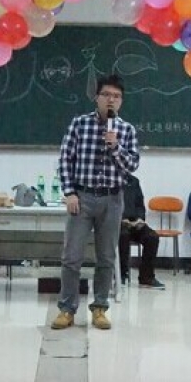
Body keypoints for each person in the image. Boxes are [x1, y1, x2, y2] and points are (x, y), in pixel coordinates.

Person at [51, 74, 139, 331]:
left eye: (116, 96)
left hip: (113, 199)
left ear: (121, 101)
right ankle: (67, 309)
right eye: (106, 95)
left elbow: (132, 165)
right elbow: (65, 160)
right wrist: (70, 193)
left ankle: (100, 307)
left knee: (107, 257)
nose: (111, 100)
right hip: (82, 197)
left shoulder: (127, 130)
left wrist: (116, 147)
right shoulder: (79, 124)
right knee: (71, 257)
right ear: (97, 98)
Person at [119, 175, 165, 289]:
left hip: (135, 222)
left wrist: (140, 219)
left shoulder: (134, 181)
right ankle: (121, 275)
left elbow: (140, 205)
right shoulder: (111, 181)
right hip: (117, 222)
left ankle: (146, 277)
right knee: (123, 236)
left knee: (152, 237)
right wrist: (121, 219)